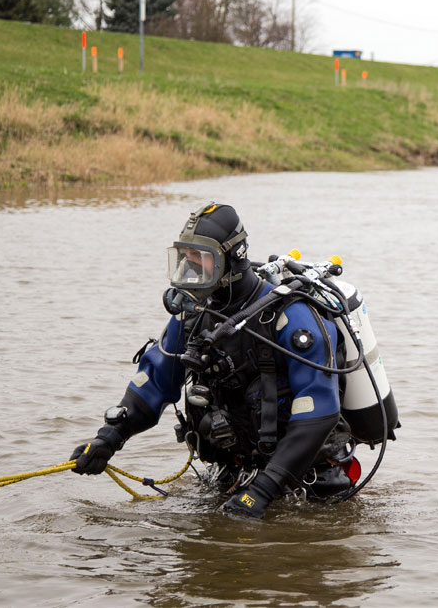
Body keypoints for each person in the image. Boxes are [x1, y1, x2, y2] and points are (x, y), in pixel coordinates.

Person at [69, 202, 376, 519]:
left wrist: (263, 490)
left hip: (311, 484)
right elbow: (156, 382)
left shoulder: (291, 318)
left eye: (201, 259)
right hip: (233, 474)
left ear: (232, 258)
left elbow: (320, 410)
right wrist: (109, 438)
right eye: (184, 258)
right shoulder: (193, 314)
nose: (191, 268)